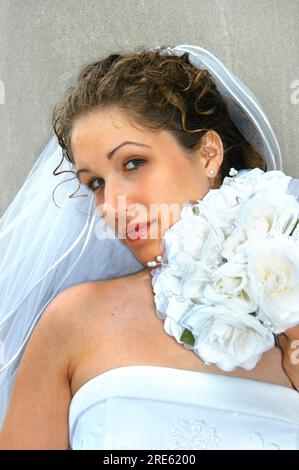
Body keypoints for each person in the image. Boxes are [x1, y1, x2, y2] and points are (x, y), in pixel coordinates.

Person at [0, 44, 298, 450]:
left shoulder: (289, 310)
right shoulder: (72, 323)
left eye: (133, 163)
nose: (112, 207)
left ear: (209, 154)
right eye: (96, 184)